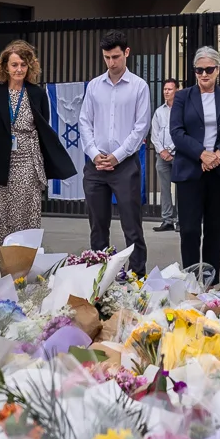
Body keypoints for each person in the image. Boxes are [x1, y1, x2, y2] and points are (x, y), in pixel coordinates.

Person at [0, 41, 75, 246]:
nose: (19, 69)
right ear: (5, 66)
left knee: (23, 219)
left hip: (26, 162)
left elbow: (43, 125)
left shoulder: (37, 93)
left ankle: (24, 264)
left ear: (29, 66)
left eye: (23, 64)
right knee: (0, 220)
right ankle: (2, 266)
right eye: (14, 65)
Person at [79, 31, 152, 276]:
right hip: (95, 165)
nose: (112, 62)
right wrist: (93, 153)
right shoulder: (94, 86)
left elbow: (141, 127)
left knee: (131, 225)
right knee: (97, 226)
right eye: (107, 57)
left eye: (116, 57)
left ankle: (137, 274)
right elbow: (84, 122)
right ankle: (100, 273)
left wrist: (117, 156)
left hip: (125, 165)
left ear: (127, 53)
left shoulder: (139, 87)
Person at [170, 46, 220, 280]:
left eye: (209, 69)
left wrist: (217, 155)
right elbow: (176, 131)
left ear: (218, 69)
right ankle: (190, 279)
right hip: (190, 170)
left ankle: (210, 280)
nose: (204, 74)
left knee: (216, 230)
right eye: (199, 70)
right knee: (189, 230)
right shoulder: (183, 97)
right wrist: (201, 154)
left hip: (219, 171)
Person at [149, 78, 180, 232]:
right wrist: (162, 151)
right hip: (162, 156)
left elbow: (182, 132)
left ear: (177, 91)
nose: (166, 92)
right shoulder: (159, 111)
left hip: (179, 155)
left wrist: (170, 149)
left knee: (181, 188)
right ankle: (167, 220)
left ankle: (180, 220)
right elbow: (154, 134)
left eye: (169, 89)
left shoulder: (181, 109)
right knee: (165, 189)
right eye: (165, 89)